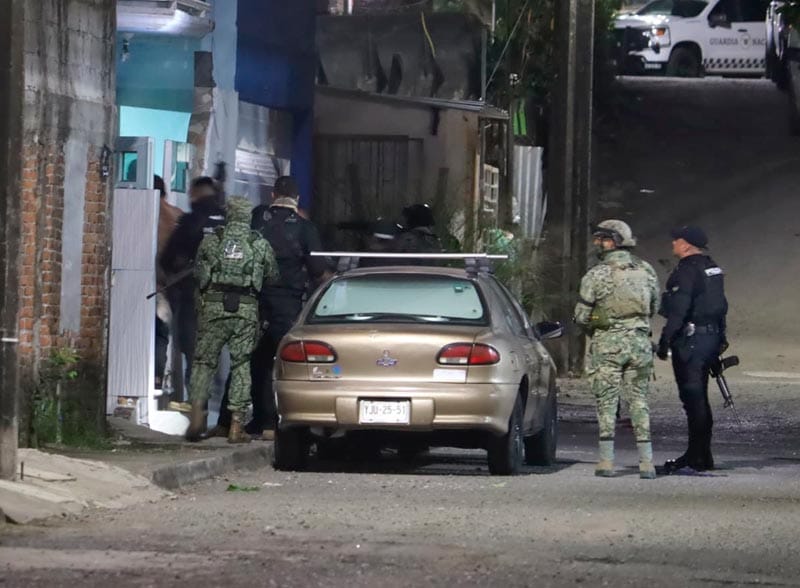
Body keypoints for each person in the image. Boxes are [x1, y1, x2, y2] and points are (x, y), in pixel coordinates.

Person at [213, 177, 330, 439]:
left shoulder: (256, 218)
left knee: (245, 361)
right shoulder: (305, 228)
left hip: (251, 301)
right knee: (283, 364)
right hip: (286, 306)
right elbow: (318, 269)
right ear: (296, 199)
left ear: (273, 195)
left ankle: (227, 422)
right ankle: (274, 424)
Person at [185, 197, 277, 442]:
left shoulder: (211, 240)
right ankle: (237, 425)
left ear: (229, 215)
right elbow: (272, 275)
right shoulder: (259, 243)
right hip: (245, 310)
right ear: (248, 216)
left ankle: (196, 415)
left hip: (213, 308)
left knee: (204, 362)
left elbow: (198, 274)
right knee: (241, 364)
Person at [574, 220, 660, 479]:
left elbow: (581, 315)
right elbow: (654, 307)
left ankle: (606, 461)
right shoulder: (646, 270)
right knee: (639, 401)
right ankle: (647, 463)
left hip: (607, 344)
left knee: (607, 402)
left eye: (601, 239)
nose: (596, 243)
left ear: (612, 242)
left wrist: (597, 325)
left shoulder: (596, 275)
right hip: (639, 344)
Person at [656, 226, 728, 473]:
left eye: (676, 240)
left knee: (693, 399)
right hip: (710, 338)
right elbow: (721, 306)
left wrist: (665, 340)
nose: (673, 244)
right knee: (700, 400)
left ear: (686, 245)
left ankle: (696, 456)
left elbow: (679, 309)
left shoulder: (687, 271)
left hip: (692, 341)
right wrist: (720, 338)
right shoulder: (711, 266)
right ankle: (702, 455)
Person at [160, 177, 225, 394]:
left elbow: (168, 259)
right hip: (226, 299)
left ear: (195, 194)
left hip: (194, 297)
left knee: (193, 350)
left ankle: (198, 402)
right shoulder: (230, 222)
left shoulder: (191, 221)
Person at [154, 175, 183, 388]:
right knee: (161, 333)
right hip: (167, 286)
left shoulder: (136, 212)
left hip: (138, 282)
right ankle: (156, 377)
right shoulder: (177, 216)